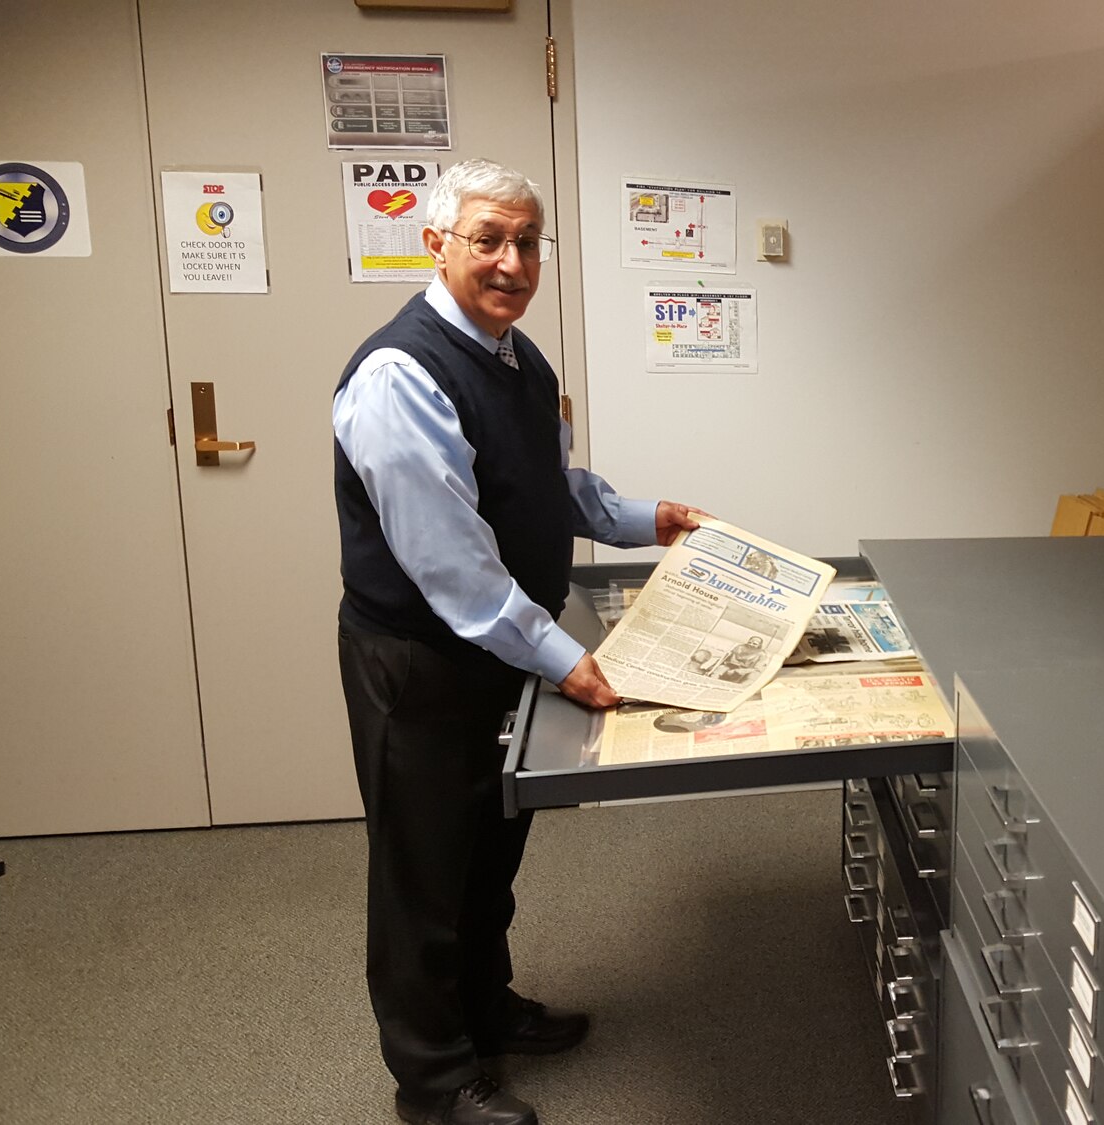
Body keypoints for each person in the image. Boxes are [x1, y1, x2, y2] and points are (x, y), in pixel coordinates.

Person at [332, 158, 702, 1125]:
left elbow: (549, 484)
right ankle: (434, 1080)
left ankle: (485, 1010)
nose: (510, 262)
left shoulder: (513, 354)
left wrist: (641, 516)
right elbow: (450, 563)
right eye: (488, 240)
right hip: (421, 662)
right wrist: (566, 657)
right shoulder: (401, 373)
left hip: (499, 653)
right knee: (423, 871)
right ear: (437, 244)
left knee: (489, 849)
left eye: (526, 243)